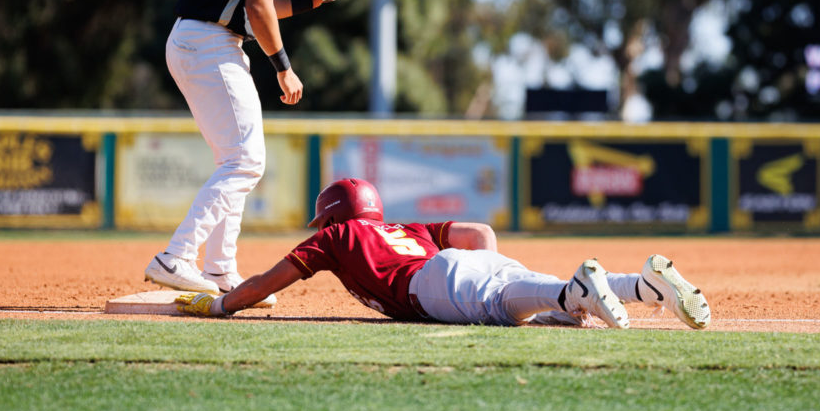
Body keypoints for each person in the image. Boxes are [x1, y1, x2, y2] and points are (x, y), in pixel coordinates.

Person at [145, 0, 359, 299]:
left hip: (200, 38)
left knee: (237, 160)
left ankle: (221, 270)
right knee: (245, 160)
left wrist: (312, 1)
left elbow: (246, 8)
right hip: (208, 43)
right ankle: (176, 257)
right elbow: (259, 8)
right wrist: (283, 66)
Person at [175, 178, 712, 330]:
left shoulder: (337, 239)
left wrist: (220, 306)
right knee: (530, 300)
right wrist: (495, 269)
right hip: (467, 263)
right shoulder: (404, 226)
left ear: (335, 216)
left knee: (504, 304)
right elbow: (478, 232)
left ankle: (576, 290)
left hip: (430, 283)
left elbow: (267, 282)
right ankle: (643, 286)